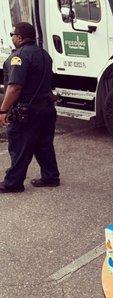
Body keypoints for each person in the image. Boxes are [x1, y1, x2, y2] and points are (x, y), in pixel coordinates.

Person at [0, 22, 59, 193]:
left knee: (19, 146)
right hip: (47, 109)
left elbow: (14, 87)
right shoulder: (44, 54)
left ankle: (13, 183)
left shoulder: (19, 56)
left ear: (19, 37)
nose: (11, 38)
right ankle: (50, 177)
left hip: (28, 111)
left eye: (13, 35)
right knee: (44, 144)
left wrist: (3, 110)